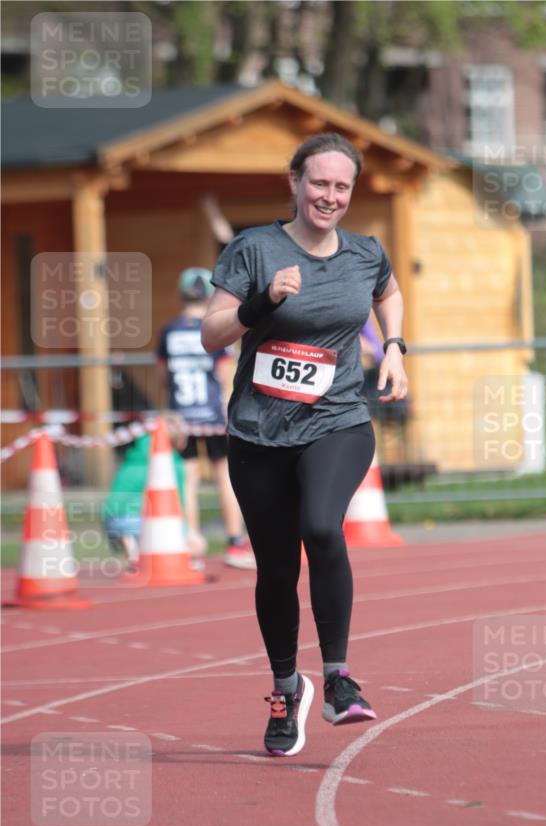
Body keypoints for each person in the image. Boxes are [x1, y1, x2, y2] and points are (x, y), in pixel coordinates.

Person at [201, 132, 408, 757]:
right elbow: (212, 334)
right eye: (319, 183)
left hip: (338, 418)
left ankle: (340, 677)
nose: (330, 196)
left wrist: (394, 349)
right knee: (276, 568)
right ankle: (286, 688)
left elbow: (388, 291)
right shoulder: (254, 250)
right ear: (294, 182)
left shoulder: (365, 253)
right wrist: (263, 303)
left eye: (341, 186)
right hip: (259, 431)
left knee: (322, 527)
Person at [157, 267, 255, 570]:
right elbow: (224, 376)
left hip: (182, 415)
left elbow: (163, 377)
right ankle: (235, 541)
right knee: (224, 476)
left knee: (187, 479)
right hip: (213, 413)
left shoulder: (169, 332)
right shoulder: (215, 330)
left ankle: (192, 542)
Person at [101, 431, 187, 570]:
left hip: (111, 517)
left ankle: (129, 541)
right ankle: (140, 546)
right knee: (195, 544)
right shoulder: (173, 463)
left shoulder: (130, 459)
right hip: (144, 519)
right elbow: (177, 501)